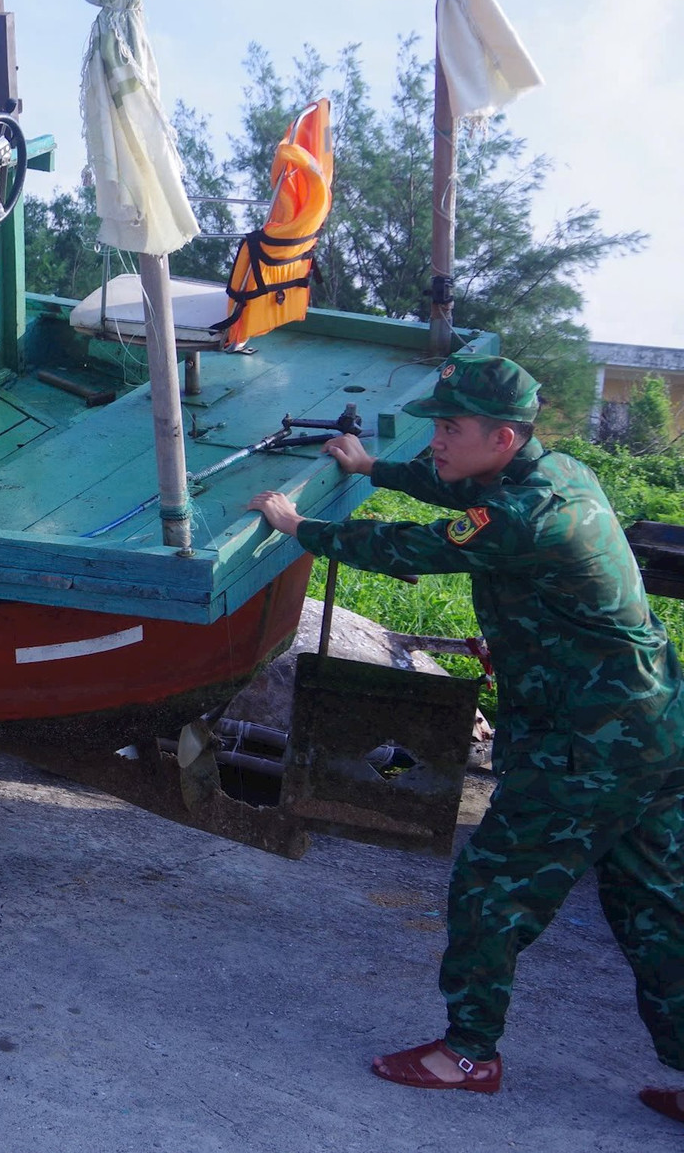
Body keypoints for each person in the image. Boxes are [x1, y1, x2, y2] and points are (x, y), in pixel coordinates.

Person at [247, 353, 684, 1117]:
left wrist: (298, 526)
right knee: (653, 905)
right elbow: (452, 489)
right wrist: (374, 466)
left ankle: (466, 1055)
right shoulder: (557, 474)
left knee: (491, 890)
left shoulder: (524, 514)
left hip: (589, 742)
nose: (438, 441)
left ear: (504, 437)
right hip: (650, 726)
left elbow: (414, 548)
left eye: (450, 428)